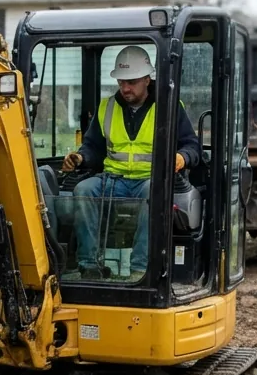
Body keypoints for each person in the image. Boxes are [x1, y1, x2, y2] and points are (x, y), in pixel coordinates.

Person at [62, 45, 200, 278]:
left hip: (149, 180)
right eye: (121, 82)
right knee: (83, 190)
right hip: (113, 180)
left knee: (154, 192)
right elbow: (94, 147)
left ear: (147, 79)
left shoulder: (169, 107)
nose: (125, 88)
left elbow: (192, 146)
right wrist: (81, 157)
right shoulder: (107, 107)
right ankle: (89, 266)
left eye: (132, 82)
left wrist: (182, 157)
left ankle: (140, 270)